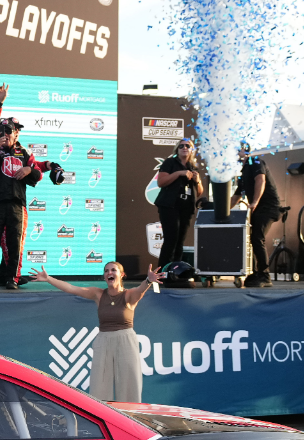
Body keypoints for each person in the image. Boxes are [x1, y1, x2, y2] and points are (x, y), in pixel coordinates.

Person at [28, 261, 165, 402]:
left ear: (122, 275)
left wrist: (148, 280)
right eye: (106, 271)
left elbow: (140, 289)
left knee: (129, 385)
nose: (109, 273)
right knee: (100, 385)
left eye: (113, 270)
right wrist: (48, 278)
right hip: (103, 340)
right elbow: (71, 288)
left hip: (126, 340)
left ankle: (130, 420)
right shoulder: (98, 294)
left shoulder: (128, 296)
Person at [0, 84, 65, 290]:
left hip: (18, 205)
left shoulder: (25, 154)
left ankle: (12, 278)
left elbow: (37, 176)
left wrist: (29, 170)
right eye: (6, 131)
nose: (10, 134)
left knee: (15, 243)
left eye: (14, 131)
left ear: (17, 135)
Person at [235, 142, 280, 287]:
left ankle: (265, 275)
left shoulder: (255, 161)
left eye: (238, 149)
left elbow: (260, 179)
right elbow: (236, 196)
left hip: (268, 207)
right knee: (254, 239)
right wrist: (221, 212)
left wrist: (254, 202)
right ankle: (257, 272)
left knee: (257, 238)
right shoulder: (243, 171)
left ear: (245, 150)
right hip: (258, 209)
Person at [154, 138, 204, 268]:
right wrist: (178, 173)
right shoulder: (170, 162)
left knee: (180, 241)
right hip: (170, 205)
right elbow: (161, 182)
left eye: (188, 145)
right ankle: (163, 272)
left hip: (186, 207)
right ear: (177, 149)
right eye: (181, 146)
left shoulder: (193, 167)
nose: (184, 147)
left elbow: (199, 192)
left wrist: (197, 180)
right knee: (171, 239)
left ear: (192, 150)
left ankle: (176, 271)